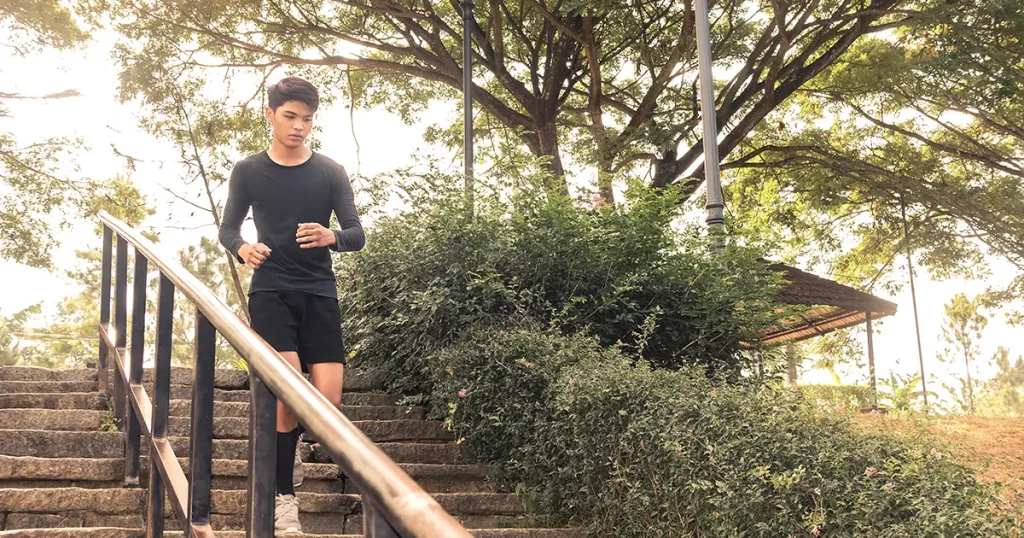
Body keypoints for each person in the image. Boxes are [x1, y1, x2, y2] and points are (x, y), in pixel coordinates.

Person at [218, 76, 365, 534]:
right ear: (270, 115)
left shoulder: (331, 171)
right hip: (271, 291)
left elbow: (357, 233)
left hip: (320, 291)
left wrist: (332, 237)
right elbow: (227, 230)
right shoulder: (247, 170)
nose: (299, 126)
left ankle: (288, 448)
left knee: (328, 401)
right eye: (290, 116)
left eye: (306, 118)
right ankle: (283, 497)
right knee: (288, 390)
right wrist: (243, 249)